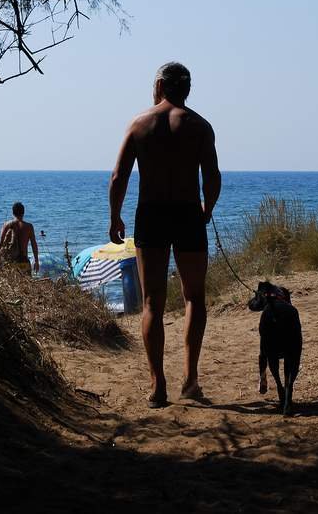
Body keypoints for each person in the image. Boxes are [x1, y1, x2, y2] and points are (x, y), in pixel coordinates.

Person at [109, 62, 222, 408]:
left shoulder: (140, 123)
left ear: (159, 84)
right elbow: (212, 177)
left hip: (152, 215)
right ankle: (190, 379)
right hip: (188, 213)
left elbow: (119, 177)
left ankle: (158, 386)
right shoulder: (200, 126)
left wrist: (115, 217)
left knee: (151, 304)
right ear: (186, 89)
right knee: (194, 298)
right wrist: (207, 210)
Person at [0, 202, 40, 275]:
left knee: (10, 282)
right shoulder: (28, 227)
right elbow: (34, 244)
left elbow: (0, 243)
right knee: (25, 283)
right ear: (23, 213)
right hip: (23, 260)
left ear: (13, 213)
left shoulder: (6, 225)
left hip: (9, 259)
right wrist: (36, 260)